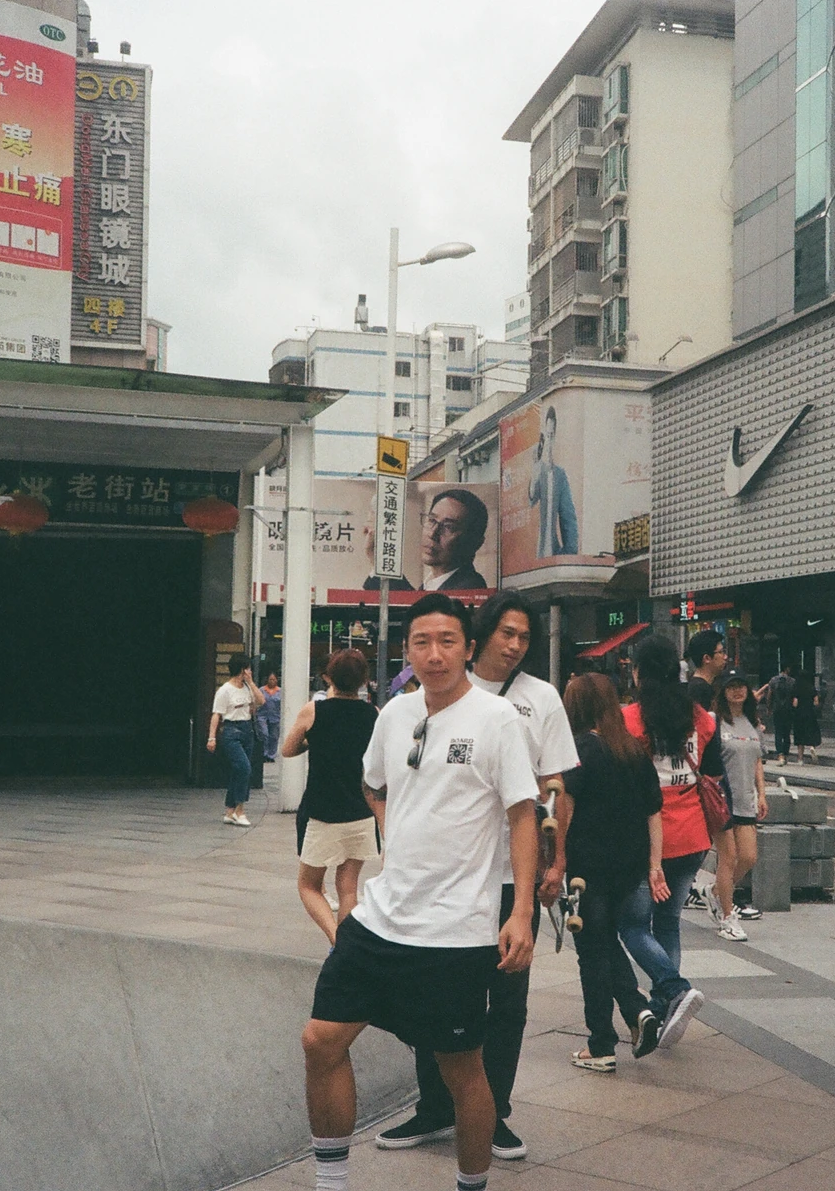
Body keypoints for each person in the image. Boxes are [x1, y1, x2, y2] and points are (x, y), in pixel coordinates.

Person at [301, 593, 538, 1191]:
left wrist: (524, 911)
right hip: (380, 917)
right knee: (320, 1039)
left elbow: (522, 815)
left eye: (448, 642)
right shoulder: (393, 715)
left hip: (455, 931)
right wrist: (400, 832)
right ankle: (332, 1181)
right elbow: (374, 784)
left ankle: (471, 1182)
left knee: (461, 1069)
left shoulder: (496, 719)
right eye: (422, 643)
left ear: (468, 648)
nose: (435, 655)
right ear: (406, 651)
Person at [378, 592, 577, 1162]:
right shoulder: (427, 696)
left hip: (510, 878)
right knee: (429, 989)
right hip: (441, 879)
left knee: (506, 998)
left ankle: (494, 1112)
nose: (514, 646)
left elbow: (555, 787)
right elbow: (386, 780)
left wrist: (556, 861)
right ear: (480, 636)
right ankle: (436, 1106)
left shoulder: (540, 699)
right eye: (506, 634)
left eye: (524, 637)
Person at [557, 672, 666, 1070]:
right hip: (630, 866)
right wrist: (654, 865)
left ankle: (601, 1044)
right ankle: (639, 1011)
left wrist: (555, 863)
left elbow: (563, 812)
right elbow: (655, 810)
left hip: (588, 868)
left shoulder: (578, 750)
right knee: (604, 942)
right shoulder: (633, 750)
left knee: (591, 950)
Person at [618, 634, 717, 1048]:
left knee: (632, 925)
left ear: (637, 672)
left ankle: (674, 988)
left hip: (648, 839)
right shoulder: (700, 717)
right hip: (693, 834)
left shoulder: (630, 720)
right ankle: (665, 1008)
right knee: (669, 923)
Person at [279, 649, 380, 946]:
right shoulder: (373, 714)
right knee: (348, 886)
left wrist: (314, 743)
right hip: (361, 811)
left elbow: (287, 749)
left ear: (329, 677)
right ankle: (347, 947)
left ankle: (338, 942)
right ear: (364, 680)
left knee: (308, 885)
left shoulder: (314, 711)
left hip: (323, 811)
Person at [708, 672, 767, 940]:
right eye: (731, 687)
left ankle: (717, 893)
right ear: (722, 692)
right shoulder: (715, 722)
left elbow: (757, 761)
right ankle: (727, 918)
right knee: (729, 857)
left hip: (746, 799)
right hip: (722, 799)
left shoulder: (752, 723)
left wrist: (762, 794)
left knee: (748, 857)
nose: (737, 692)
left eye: (741, 686)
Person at [208, 654, 261, 827]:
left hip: (247, 730)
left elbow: (261, 701)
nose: (250, 671)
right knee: (244, 768)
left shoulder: (247, 688)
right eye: (248, 668)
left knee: (238, 771)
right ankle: (240, 809)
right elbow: (217, 714)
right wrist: (212, 737)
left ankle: (229, 811)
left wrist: (251, 683)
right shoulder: (225, 690)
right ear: (242, 669)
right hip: (232, 731)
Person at [528, 405, 579, 558]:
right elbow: (532, 498)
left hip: (555, 554)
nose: (549, 442)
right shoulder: (538, 470)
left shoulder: (560, 475)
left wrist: (569, 553)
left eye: (552, 436)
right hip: (535, 557)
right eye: (547, 436)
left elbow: (568, 517)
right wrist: (536, 466)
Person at [762, 663, 797, 763]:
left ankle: (780, 754)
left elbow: (769, 695)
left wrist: (769, 707)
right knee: (786, 733)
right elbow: (794, 697)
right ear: (787, 669)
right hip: (788, 710)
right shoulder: (792, 681)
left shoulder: (773, 680)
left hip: (777, 709)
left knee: (778, 732)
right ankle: (785, 754)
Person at [685, 629, 726, 711]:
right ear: (707, 658)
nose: (725, 657)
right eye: (721, 652)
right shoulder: (700, 691)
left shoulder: (706, 684)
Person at [793, 668, 822, 763]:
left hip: (799, 714)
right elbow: (816, 702)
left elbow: (795, 703)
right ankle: (812, 747)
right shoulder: (811, 687)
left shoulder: (796, 687)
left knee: (800, 736)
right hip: (810, 713)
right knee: (811, 731)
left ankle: (800, 759)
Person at [258, 672, 284, 762]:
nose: (272, 681)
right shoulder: (261, 690)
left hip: (275, 716)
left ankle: (271, 755)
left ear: (277, 680)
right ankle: (264, 753)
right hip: (263, 716)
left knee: (274, 736)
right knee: (264, 734)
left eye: (274, 679)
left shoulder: (280, 691)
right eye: (270, 679)